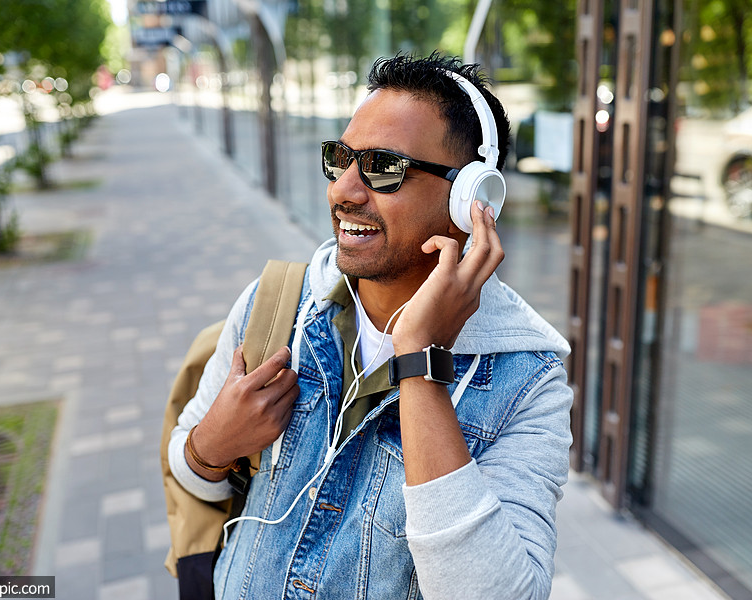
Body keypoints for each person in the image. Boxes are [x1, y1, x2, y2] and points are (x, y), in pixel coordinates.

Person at [169, 52, 572, 600]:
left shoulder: (527, 380)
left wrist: (422, 363)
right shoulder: (280, 302)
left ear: (471, 197)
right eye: (340, 159)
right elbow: (190, 472)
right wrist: (209, 447)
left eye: (384, 166)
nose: (344, 191)